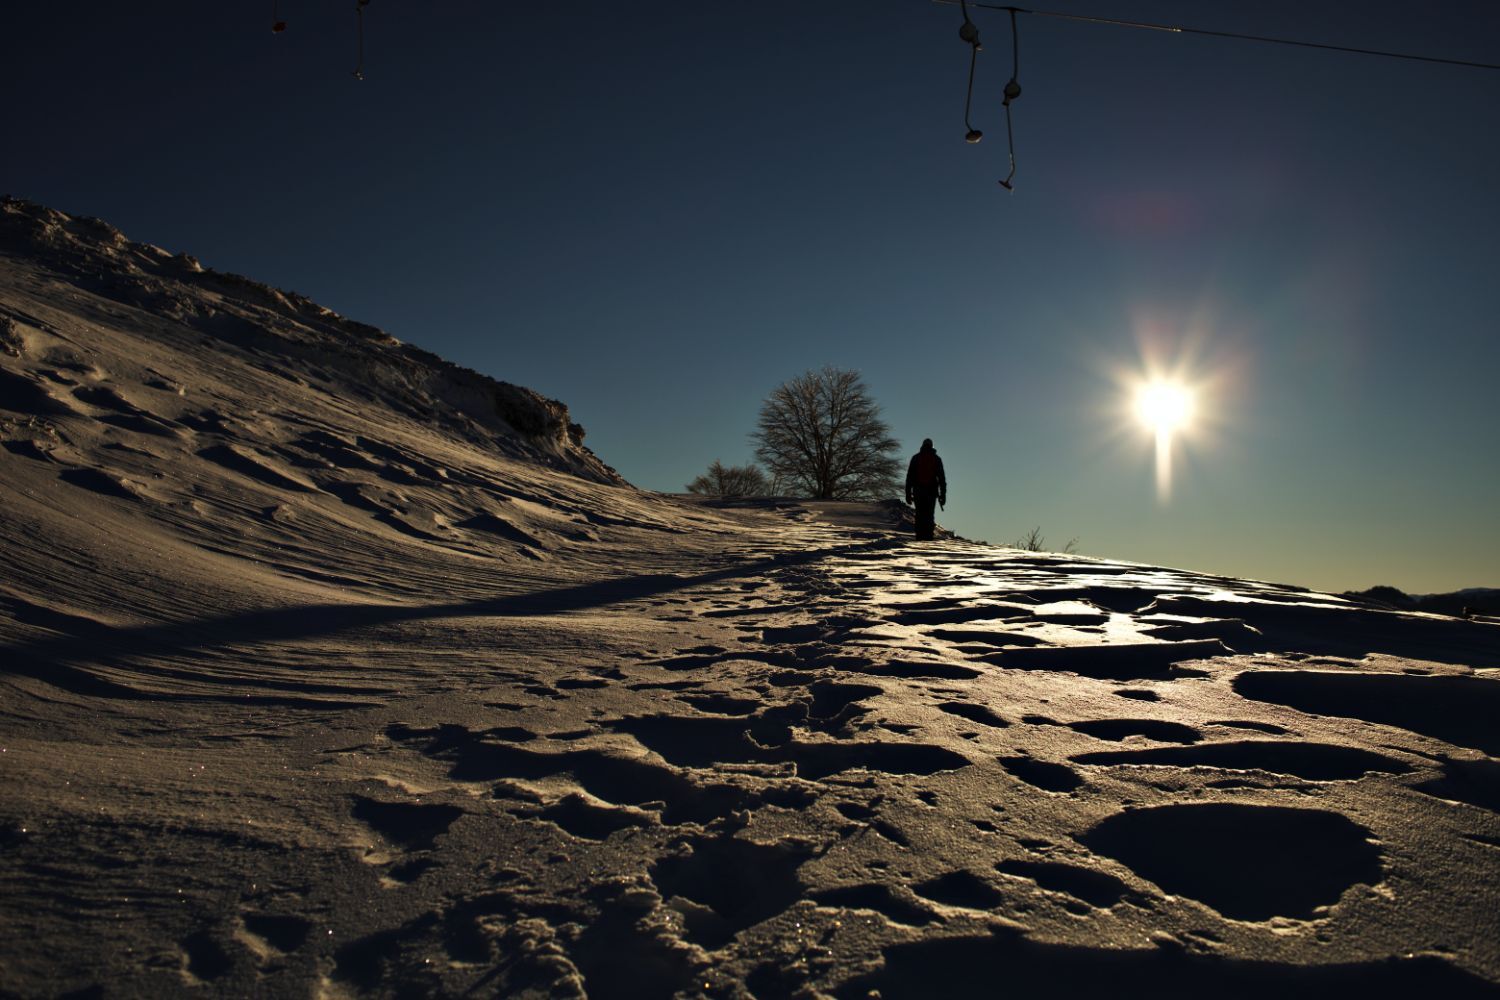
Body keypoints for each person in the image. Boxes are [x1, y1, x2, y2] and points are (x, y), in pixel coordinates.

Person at [905, 438, 946, 540]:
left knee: (919, 514)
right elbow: (941, 478)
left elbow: (909, 477)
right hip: (931, 492)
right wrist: (943, 495)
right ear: (932, 446)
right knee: (929, 514)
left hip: (918, 491)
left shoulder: (916, 458)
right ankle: (928, 537)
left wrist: (908, 494)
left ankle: (919, 536)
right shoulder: (936, 459)